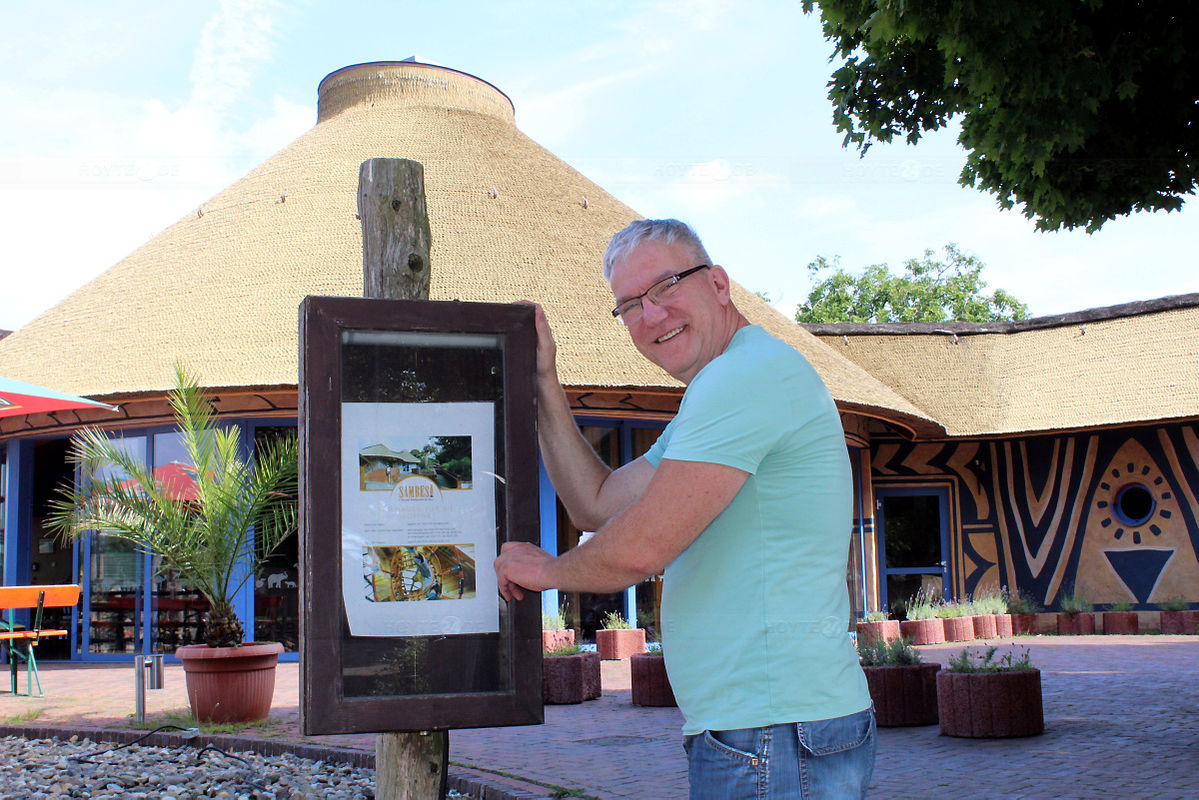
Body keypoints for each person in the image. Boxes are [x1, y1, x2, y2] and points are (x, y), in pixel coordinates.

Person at [494, 219, 875, 799]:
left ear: (719, 284)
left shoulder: (745, 378)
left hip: (772, 733)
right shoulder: (726, 386)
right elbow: (596, 503)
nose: (651, 315)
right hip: (770, 728)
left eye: (667, 285)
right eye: (629, 305)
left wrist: (547, 571)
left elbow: (645, 545)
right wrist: (544, 379)